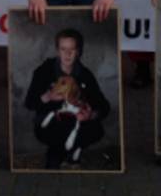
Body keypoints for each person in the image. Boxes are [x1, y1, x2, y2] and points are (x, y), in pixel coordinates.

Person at [23, 28, 112, 169]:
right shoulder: (43, 72)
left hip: (77, 121)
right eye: (63, 49)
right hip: (50, 122)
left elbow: (104, 106)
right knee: (54, 153)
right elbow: (29, 103)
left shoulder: (85, 75)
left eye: (72, 49)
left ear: (78, 51)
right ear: (57, 51)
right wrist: (48, 97)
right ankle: (60, 153)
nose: (68, 54)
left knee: (95, 129)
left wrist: (91, 114)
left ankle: (72, 151)